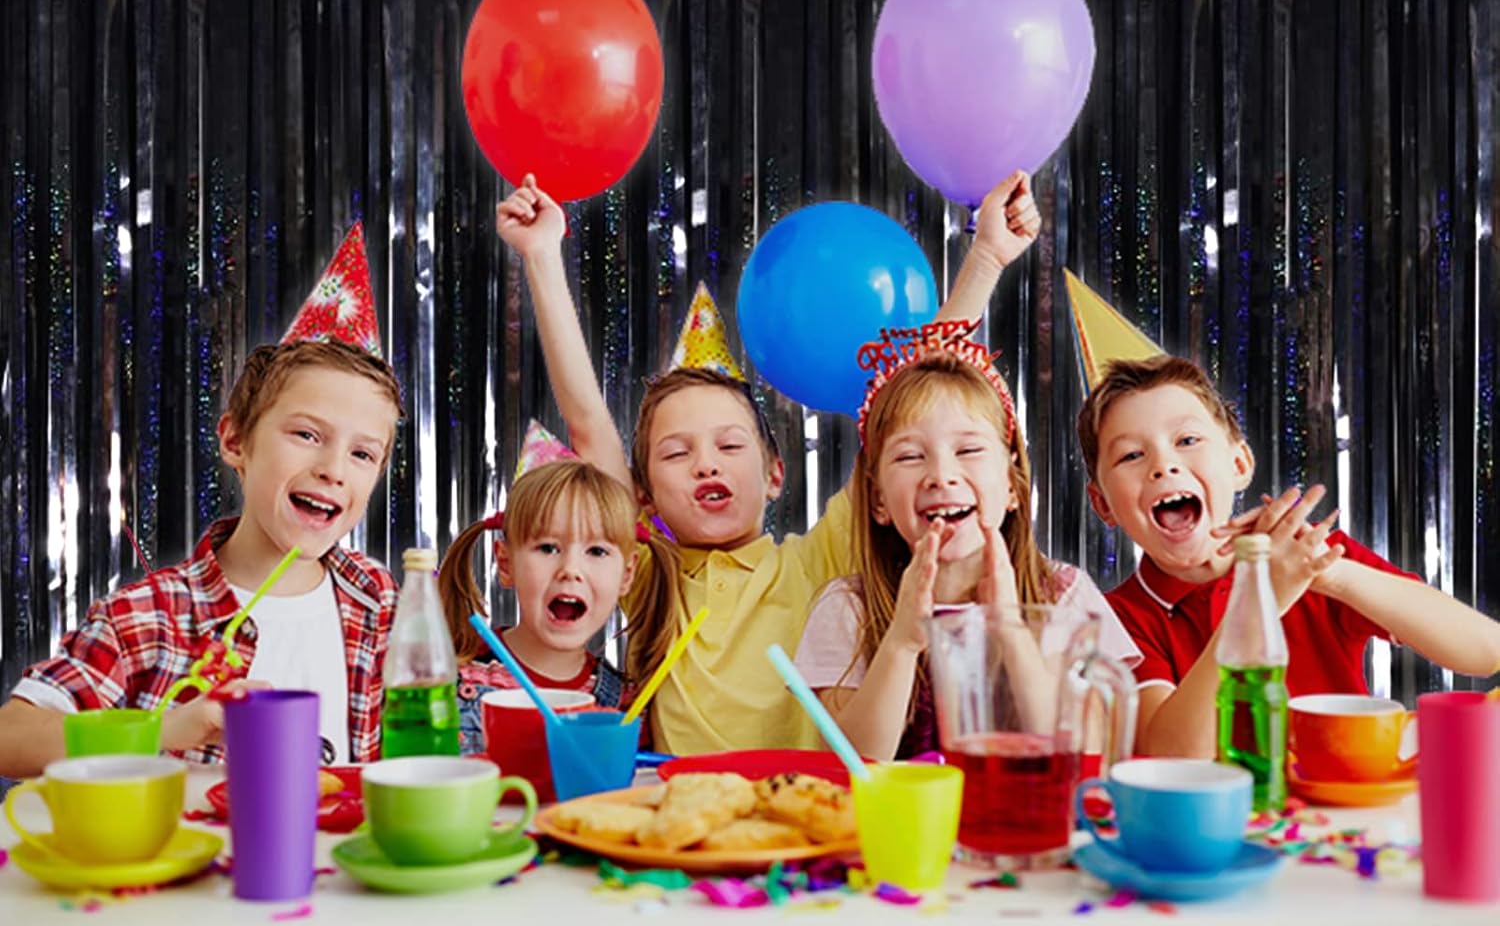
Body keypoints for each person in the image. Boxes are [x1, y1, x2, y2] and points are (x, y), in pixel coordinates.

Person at [494, 170, 1041, 753]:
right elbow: (588, 423)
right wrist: (541, 256)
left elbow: (904, 405)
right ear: (643, 495)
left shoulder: (816, 563)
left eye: (730, 446)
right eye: (677, 453)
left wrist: (986, 259)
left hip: (804, 801)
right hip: (680, 805)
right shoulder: (649, 575)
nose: (706, 465)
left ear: (775, 473)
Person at [0, 227, 402, 777]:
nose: (333, 469)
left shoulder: (379, 600)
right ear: (235, 441)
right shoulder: (149, 615)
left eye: (362, 454)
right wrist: (164, 729)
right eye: (307, 434)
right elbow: (11, 738)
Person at [1077, 353, 1500, 758]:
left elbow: (1485, 651)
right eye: (1131, 455)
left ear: (1239, 463)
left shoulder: (1310, 556)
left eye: (1187, 440)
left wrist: (1328, 574)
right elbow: (1174, 755)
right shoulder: (1114, 619)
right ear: (1103, 504)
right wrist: (1258, 604)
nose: (1163, 465)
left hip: (1346, 803)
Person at [793, 332, 1138, 759]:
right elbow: (852, 763)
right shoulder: (849, 607)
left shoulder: (1065, 595)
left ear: (1011, 484)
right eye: (909, 456)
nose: (942, 475)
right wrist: (901, 641)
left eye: (969, 449)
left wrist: (1009, 627)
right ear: (878, 499)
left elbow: (1082, 750)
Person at [438, 458, 636, 755]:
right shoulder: (447, 684)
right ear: (506, 563)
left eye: (596, 551)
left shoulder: (627, 706)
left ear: (627, 575)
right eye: (548, 548)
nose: (570, 570)